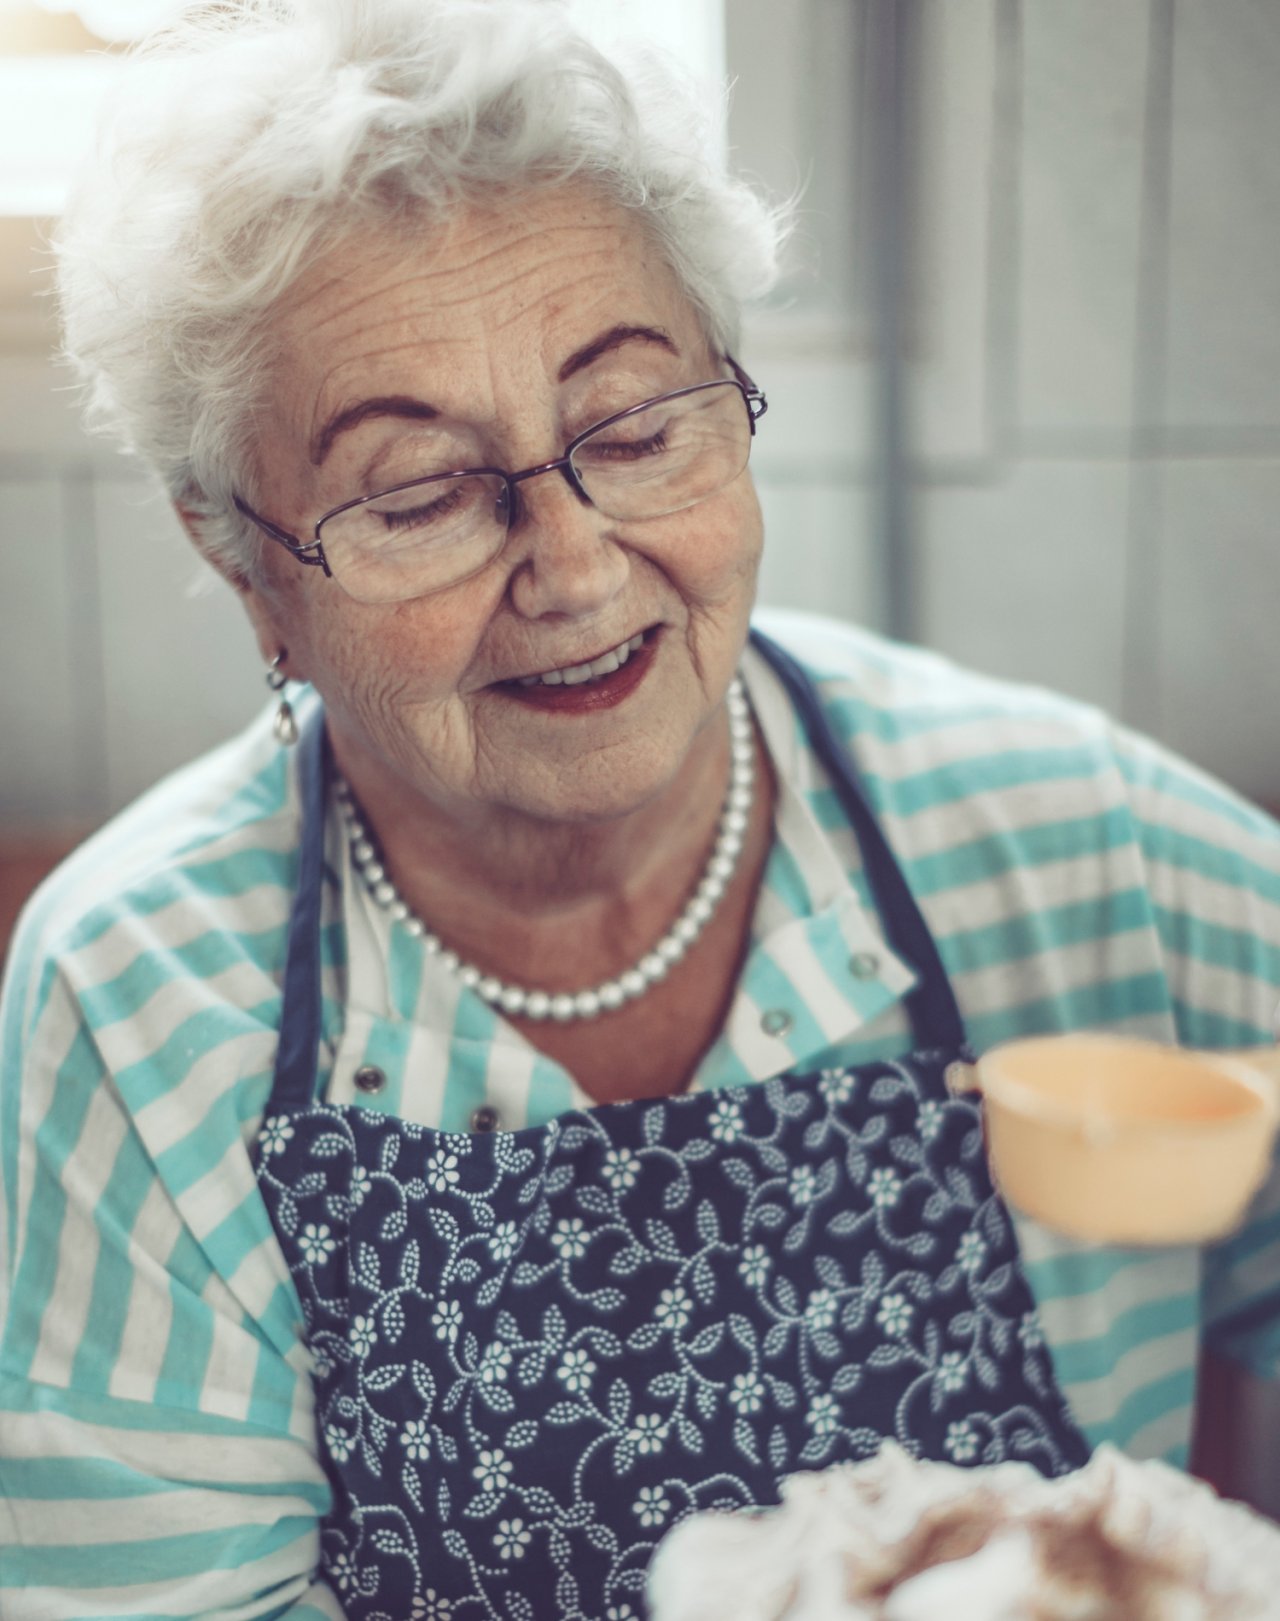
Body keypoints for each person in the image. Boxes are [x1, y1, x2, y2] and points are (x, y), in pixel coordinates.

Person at [0, 1, 1276, 1616]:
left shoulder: (1067, 840)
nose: (578, 565)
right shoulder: (142, 997)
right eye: (415, 493)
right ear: (243, 566)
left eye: (636, 422)